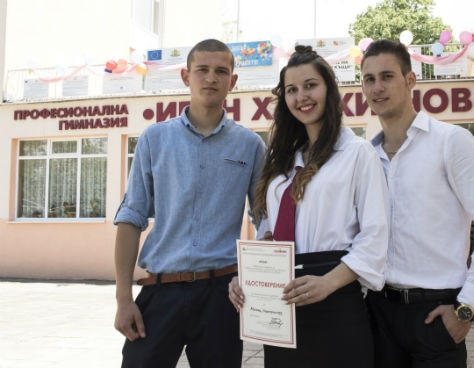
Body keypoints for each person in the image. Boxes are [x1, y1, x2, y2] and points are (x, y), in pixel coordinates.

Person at [228, 45, 389, 368]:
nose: (301, 96)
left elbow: (375, 235)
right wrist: (249, 274)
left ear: (329, 89)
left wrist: (327, 282)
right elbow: (271, 228)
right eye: (292, 90)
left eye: (310, 85)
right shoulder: (284, 162)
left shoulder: (358, 154)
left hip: (334, 297)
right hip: (281, 303)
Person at [360, 39, 474, 368]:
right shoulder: (365, 156)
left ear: (411, 80)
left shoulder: (451, 142)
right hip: (378, 312)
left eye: (387, 76)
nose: (377, 87)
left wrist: (468, 307)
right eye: (369, 79)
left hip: (435, 314)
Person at [113, 38, 266, 368]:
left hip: (222, 295)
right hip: (161, 290)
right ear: (186, 76)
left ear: (233, 81)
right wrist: (123, 299)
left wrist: (254, 277)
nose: (211, 78)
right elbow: (131, 218)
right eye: (203, 70)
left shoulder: (250, 145)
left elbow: (263, 220)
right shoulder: (155, 139)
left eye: (221, 71)